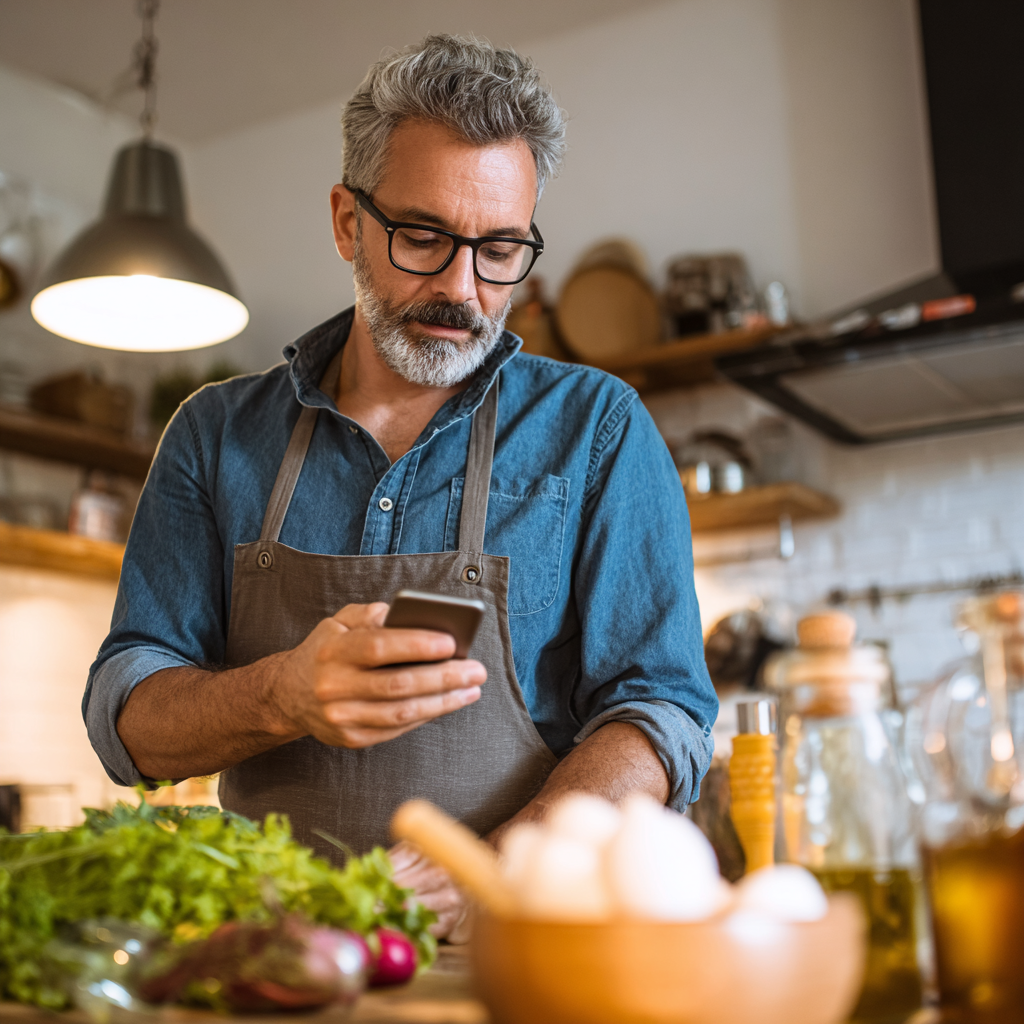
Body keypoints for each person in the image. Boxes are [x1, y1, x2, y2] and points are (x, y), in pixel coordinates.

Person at [84, 34, 717, 941]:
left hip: (517, 954)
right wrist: (284, 695)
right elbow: (128, 722)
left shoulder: (598, 429)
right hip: (269, 957)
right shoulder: (215, 435)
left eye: (500, 248)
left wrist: (489, 872)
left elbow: (661, 716)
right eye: (423, 237)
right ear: (348, 221)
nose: (463, 286)